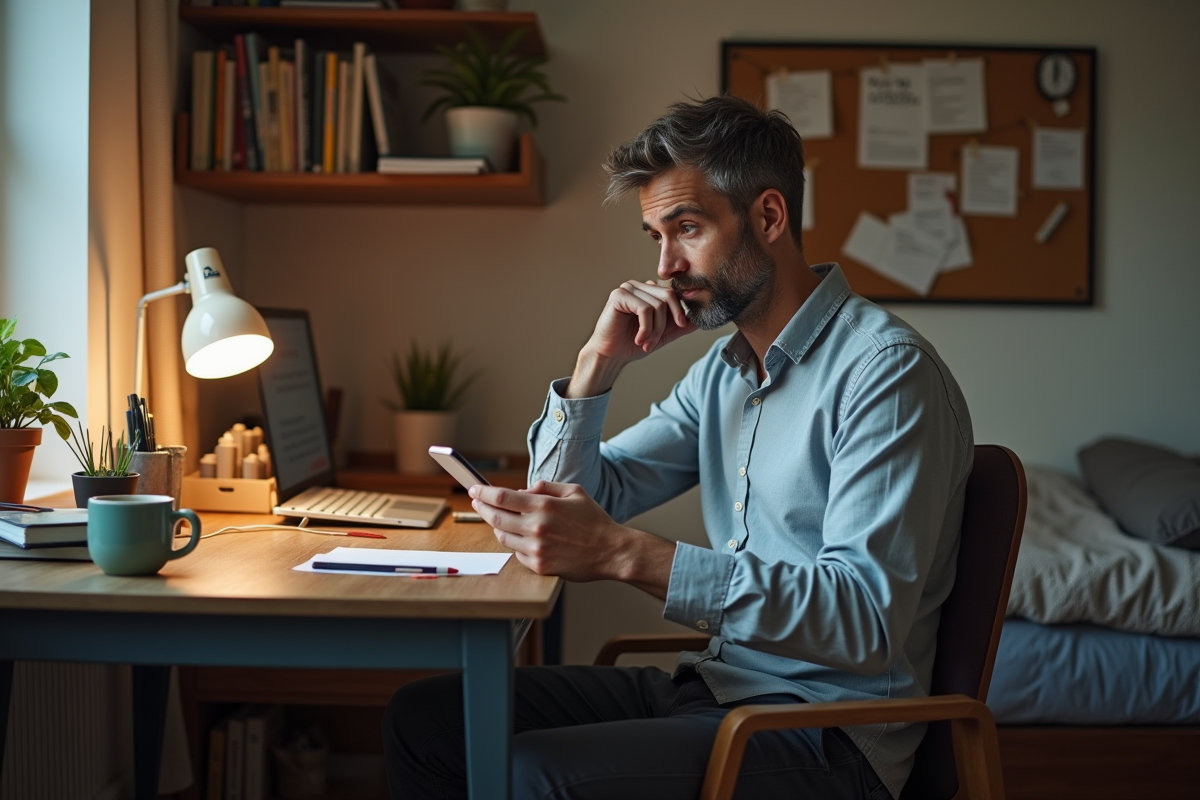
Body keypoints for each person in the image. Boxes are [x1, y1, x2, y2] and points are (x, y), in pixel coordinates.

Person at [383, 96, 973, 800]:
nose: (665, 267)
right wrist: (596, 366)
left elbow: (861, 621)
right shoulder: (722, 375)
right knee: (428, 720)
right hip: (719, 689)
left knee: (532, 776)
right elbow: (573, 504)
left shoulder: (884, 371)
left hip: (826, 736)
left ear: (769, 217)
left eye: (687, 229)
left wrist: (628, 555)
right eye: (655, 237)